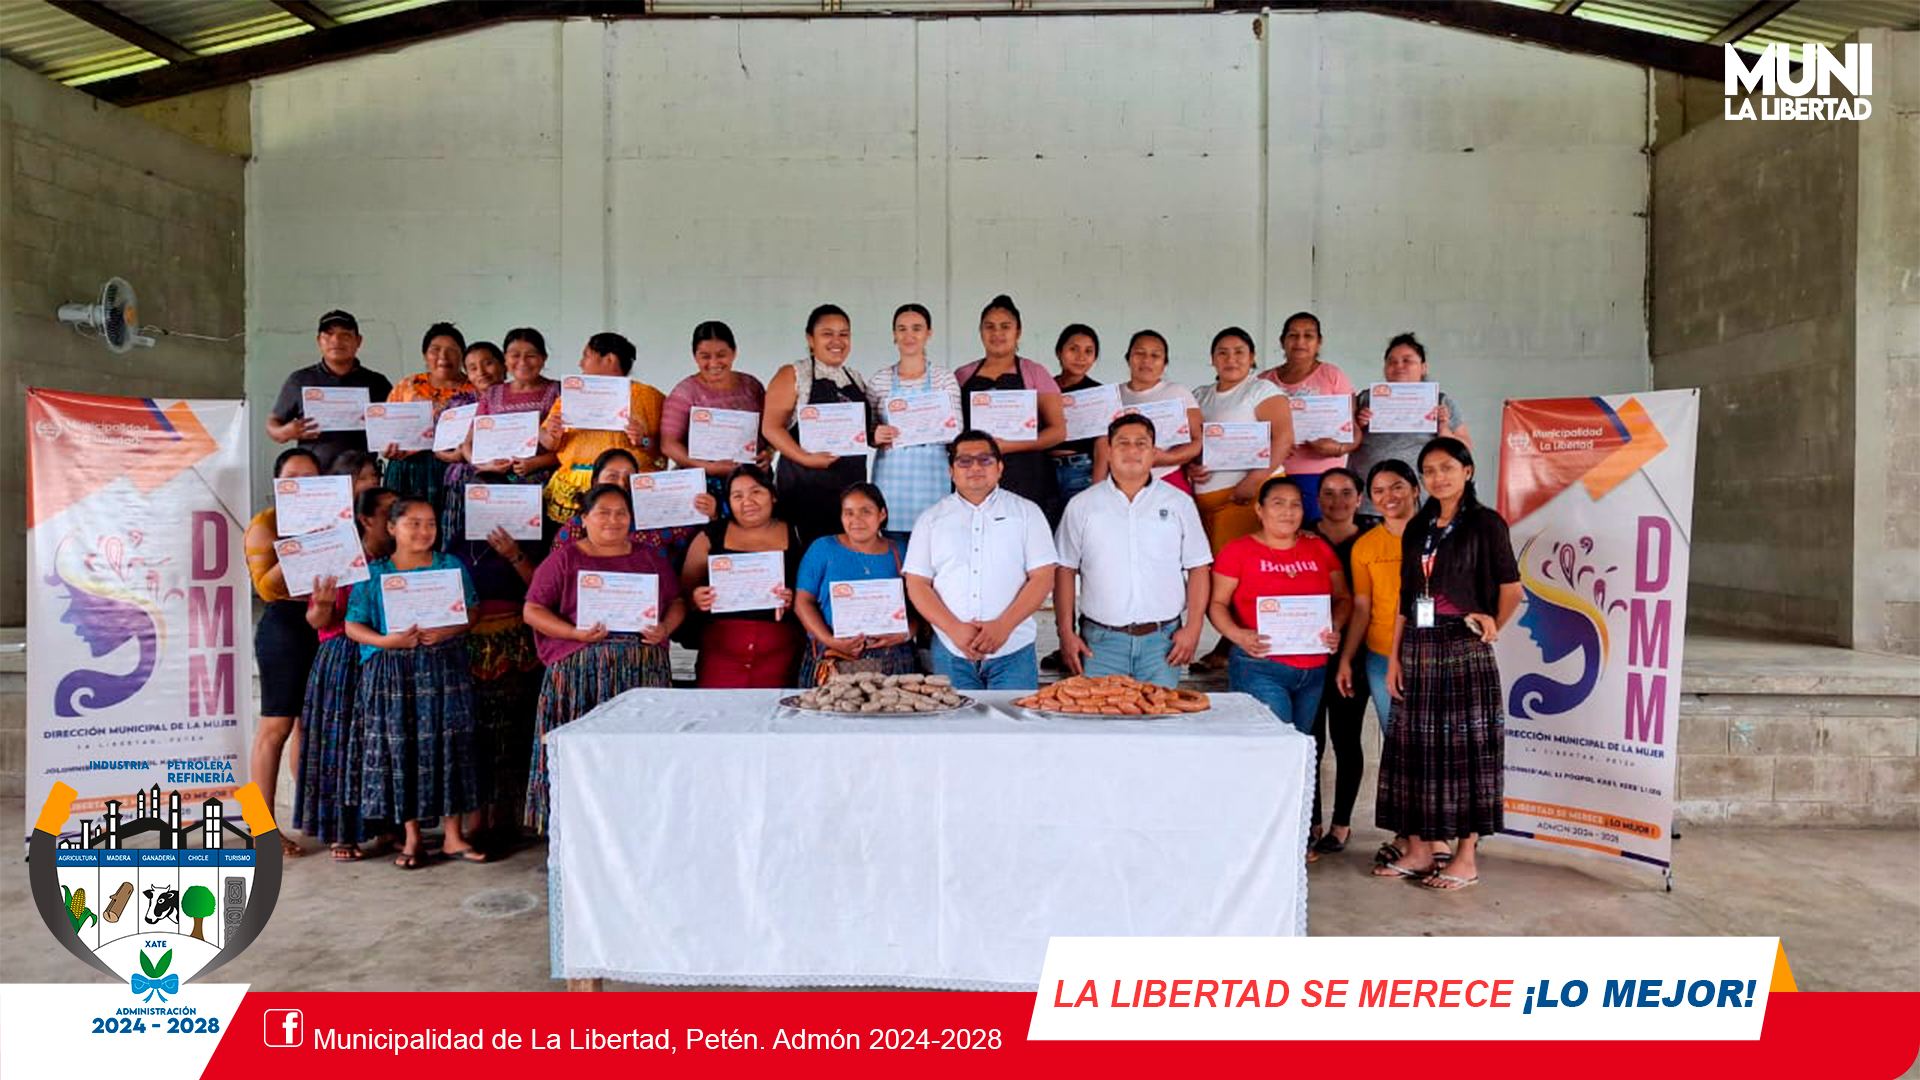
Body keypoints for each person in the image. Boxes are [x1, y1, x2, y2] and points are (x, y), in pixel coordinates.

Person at [1372, 438, 1521, 891]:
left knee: (1465, 751)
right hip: (1418, 648)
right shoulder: (1418, 526)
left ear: (1467, 471)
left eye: (1447, 468)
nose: (1438, 477)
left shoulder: (1485, 523)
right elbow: (1406, 598)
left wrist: (1492, 624)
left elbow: (1511, 588)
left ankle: (1465, 858)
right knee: (1415, 749)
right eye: (1430, 470)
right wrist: (1394, 658)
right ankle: (1419, 850)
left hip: (1462, 646)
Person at [522, 483, 686, 833]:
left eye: (621, 513)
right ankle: (576, 830)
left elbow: (676, 602)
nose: (613, 520)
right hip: (580, 675)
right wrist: (574, 633)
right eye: (603, 513)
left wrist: (664, 628)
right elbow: (533, 610)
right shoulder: (565, 558)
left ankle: (639, 826)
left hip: (641, 674)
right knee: (584, 757)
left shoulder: (648, 558)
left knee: (638, 754)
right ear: (584, 518)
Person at [1210, 476, 1350, 864]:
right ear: (1259, 510)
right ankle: (1267, 842)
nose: (1287, 511)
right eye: (1278, 503)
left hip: (1312, 671)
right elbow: (1217, 605)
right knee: (1273, 752)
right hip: (1261, 667)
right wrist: (1238, 635)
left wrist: (1336, 627)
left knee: (1300, 753)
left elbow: (1342, 598)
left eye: (1295, 504)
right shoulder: (1238, 551)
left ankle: (1295, 835)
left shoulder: (1317, 548)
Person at [346, 496, 484, 869]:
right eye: (414, 523)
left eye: (431, 523)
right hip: (392, 674)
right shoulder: (374, 573)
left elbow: (472, 611)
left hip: (445, 667)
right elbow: (353, 624)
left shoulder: (450, 565)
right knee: (402, 749)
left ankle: (454, 836)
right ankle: (412, 838)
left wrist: (447, 630)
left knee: (451, 746)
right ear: (392, 528)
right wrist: (386, 641)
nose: (424, 531)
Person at [1054, 414, 1211, 687]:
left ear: (1154, 452)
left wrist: (1194, 628)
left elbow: (1199, 566)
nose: (1132, 450)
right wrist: (1066, 633)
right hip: (1100, 643)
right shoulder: (1082, 505)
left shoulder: (1179, 503)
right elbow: (1064, 569)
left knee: (1160, 713)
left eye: (1141, 443)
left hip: (1162, 643)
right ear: (1108, 451)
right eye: (1123, 443)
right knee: (1101, 714)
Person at [902, 431, 1058, 690]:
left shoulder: (1027, 513)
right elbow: (917, 583)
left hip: (1013, 649)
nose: (975, 467)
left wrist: (1003, 627)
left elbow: (1043, 577)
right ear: (951, 471)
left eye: (985, 460)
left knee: (1014, 717)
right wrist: (953, 628)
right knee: (957, 718)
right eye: (964, 461)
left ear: (1000, 468)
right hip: (951, 650)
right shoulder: (930, 519)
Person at [293, 485, 396, 861]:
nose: (396, 518)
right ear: (366, 519)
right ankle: (342, 832)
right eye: (388, 512)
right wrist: (322, 604)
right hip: (344, 657)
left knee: (382, 745)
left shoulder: (402, 559)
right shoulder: (341, 557)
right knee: (342, 749)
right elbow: (317, 620)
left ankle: (386, 826)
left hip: (387, 657)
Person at [1188, 327, 1294, 671]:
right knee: (1215, 578)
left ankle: (1235, 648)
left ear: (1252, 358)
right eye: (1222, 352)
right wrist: (1190, 464)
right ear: (1212, 358)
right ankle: (1232, 641)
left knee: (1243, 578)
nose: (1231, 359)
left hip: (1246, 499)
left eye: (1239, 352)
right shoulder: (1200, 395)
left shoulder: (1261, 390)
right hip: (1208, 504)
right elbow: (1189, 442)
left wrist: (1255, 480)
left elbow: (1283, 439)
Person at [448, 482, 545, 855]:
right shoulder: (458, 542)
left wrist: (514, 554)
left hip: (516, 642)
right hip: (469, 644)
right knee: (476, 733)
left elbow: (543, 589)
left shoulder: (530, 538)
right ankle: (476, 822)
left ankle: (507, 817)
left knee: (514, 729)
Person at [1339, 459, 1427, 868]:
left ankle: (1437, 834)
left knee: (1434, 744)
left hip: (1432, 655)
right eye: (1378, 491)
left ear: (1414, 489)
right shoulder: (1366, 546)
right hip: (1379, 658)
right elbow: (1362, 606)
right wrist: (1347, 657)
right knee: (1399, 745)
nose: (1388, 497)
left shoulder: (1436, 535)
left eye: (1396, 487)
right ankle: (1407, 834)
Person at [244, 447, 325, 857]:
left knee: (309, 727)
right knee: (275, 727)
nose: (303, 485)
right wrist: (304, 542)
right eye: (294, 478)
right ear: (279, 484)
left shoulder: (335, 519)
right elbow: (267, 587)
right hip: (284, 627)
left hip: (325, 624)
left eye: (312, 478)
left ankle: (308, 816)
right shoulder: (266, 524)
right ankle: (260, 829)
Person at [681, 465, 805, 688]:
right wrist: (697, 599)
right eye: (737, 496)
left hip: (781, 652)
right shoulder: (709, 536)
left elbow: (813, 595)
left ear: (773, 495)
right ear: (728, 502)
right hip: (721, 652)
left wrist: (794, 599)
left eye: (756, 492)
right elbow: (682, 596)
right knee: (715, 708)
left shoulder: (798, 534)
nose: (747, 501)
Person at [761, 305, 871, 551]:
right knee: (805, 561)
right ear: (810, 339)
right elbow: (771, 427)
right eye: (827, 334)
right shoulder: (793, 374)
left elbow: (864, 431)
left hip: (849, 492)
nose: (837, 341)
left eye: (844, 334)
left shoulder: (854, 378)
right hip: (803, 491)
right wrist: (806, 459)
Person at [954, 295, 1068, 526]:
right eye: (990, 327)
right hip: (975, 479)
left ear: (1018, 331)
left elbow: (1058, 431)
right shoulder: (962, 375)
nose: (997, 333)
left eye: (1005, 326)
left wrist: (1009, 446)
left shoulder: (1035, 372)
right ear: (980, 332)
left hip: (1028, 477)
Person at [792, 483, 917, 684]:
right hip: (834, 656)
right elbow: (802, 602)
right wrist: (830, 640)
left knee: (890, 705)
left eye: (866, 511)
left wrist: (905, 634)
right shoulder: (823, 548)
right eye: (849, 513)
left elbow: (919, 604)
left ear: (882, 514)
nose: (856, 520)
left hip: (893, 658)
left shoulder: (901, 551)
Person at [446, 327, 560, 548]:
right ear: (505, 359)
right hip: (494, 485)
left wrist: (535, 463)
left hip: (541, 487)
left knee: (534, 550)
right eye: (515, 355)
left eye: (531, 355)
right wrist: (483, 465)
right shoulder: (493, 394)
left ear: (543, 358)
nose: (522, 362)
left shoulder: (558, 391)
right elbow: (468, 444)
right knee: (491, 549)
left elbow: (571, 449)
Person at [1306, 467, 1371, 853]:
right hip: (1307, 653)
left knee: (1346, 740)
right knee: (1310, 740)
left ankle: (1342, 824)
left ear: (1359, 499)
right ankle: (1311, 822)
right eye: (1328, 492)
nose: (1337, 501)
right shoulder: (1302, 536)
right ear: (1318, 499)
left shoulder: (1371, 538)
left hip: (1355, 654)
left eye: (1346, 492)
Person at [541, 331, 667, 525]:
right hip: (575, 491)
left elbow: (664, 448)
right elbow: (549, 442)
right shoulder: (572, 395)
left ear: (609, 359)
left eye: (586, 356)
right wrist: (553, 434)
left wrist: (642, 440)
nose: (581, 364)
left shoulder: (648, 397)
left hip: (628, 488)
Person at [1349, 332, 1473, 515]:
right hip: (1370, 502)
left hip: (1421, 502)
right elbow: (1342, 442)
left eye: (1407, 360)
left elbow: (1465, 451)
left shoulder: (1440, 401)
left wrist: (1443, 427)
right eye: (1392, 361)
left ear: (1423, 367)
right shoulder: (1365, 399)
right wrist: (1358, 426)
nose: (1399, 365)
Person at [868, 303, 960, 547]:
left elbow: (957, 430)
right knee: (895, 553)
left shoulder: (943, 378)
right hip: (892, 484)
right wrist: (875, 434)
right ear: (894, 334)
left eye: (917, 328)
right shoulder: (880, 380)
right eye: (902, 329)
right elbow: (864, 430)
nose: (909, 335)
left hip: (933, 480)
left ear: (929, 333)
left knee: (934, 550)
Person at [661, 320, 769, 514]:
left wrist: (769, 453)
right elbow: (668, 444)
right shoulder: (685, 392)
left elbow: (771, 428)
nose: (713, 363)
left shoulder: (752, 386)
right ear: (694, 356)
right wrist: (708, 468)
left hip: (751, 482)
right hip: (703, 488)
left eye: (721, 355)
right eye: (705, 356)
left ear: (734, 352)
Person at [266, 309, 394, 472]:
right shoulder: (300, 380)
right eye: (328, 335)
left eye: (345, 335)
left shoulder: (377, 383)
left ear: (358, 341)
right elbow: (273, 423)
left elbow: (394, 429)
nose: (336, 340)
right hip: (315, 477)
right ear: (319, 341)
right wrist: (285, 432)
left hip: (361, 478)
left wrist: (392, 446)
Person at [551, 447, 717, 572]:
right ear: (595, 482)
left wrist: (710, 515)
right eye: (612, 476)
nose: (621, 484)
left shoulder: (659, 519)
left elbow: (698, 543)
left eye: (629, 477)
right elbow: (555, 573)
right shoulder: (576, 526)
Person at [1260, 312, 1356, 522]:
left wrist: (1338, 448)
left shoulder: (1332, 375)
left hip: (1322, 475)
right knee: (1280, 533)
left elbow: (1354, 430)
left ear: (1319, 342)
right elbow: (1252, 430)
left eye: (1308, 335)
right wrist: (1274, 443)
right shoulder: (1264, 381)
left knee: (1316, 533)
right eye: (1293, 335)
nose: (1300, 341)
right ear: (1282, 341)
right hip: (1275, 474)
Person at [1095, 329, 1203, 490]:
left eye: (1155, 355)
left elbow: (1198, 440)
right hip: (1122, 483)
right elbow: (1102, 447)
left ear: (1165, 363)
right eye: (1140, 353)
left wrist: (1167, 457)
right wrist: (1098, 488)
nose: (1146, 360)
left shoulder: (1178, 392)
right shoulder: (1112, 396)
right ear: (1128, 358)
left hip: (1167, 478)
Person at [382, 322, 473, 505]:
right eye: (435, 350)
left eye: (452, 350)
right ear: (425, 355)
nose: (443, 357)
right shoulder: (407, 386)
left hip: (455, 470)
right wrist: (387, 448)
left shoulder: (475, 389)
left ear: (462, 355)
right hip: (408, 471)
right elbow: (386, 432)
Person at [436, 340, 507, 550]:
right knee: (460, 545)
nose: (481, 372)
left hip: (506, 480)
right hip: (461, 485)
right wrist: (456, 455)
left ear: (503, 365)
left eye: (488, 363)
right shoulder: (457, 403)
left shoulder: (516, 399)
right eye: (473, 368)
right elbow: (439, 450)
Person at [1048, 323, 1103, 506]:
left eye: (1088, 351)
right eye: (1073, 349)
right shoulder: (1044, 388)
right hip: (1043, 472)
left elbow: (1103, 445)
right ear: (1059, 352)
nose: (1081, 357)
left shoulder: (1098, 393)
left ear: (1095, 357)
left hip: (1081, 471)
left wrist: (1097, 487)